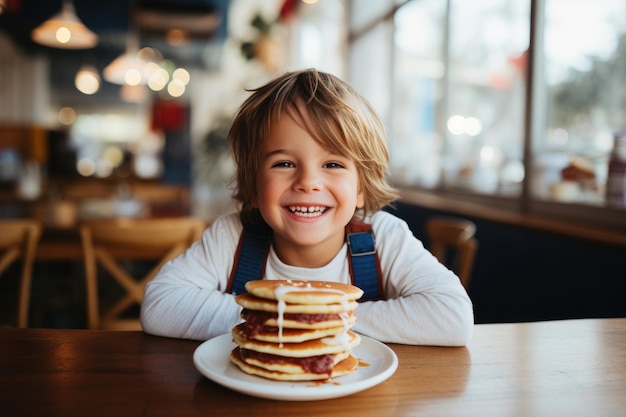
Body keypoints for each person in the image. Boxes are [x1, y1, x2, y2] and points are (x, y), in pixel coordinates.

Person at [140, 68, 474, 346]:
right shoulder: (233, 236)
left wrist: (315, 318)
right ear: (254, 187)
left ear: (361, 187)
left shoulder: (383, 238)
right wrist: (297, 319)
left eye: (332, 164)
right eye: (284, 164)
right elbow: (159, 305)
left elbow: (453, 316)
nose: (308, 182)